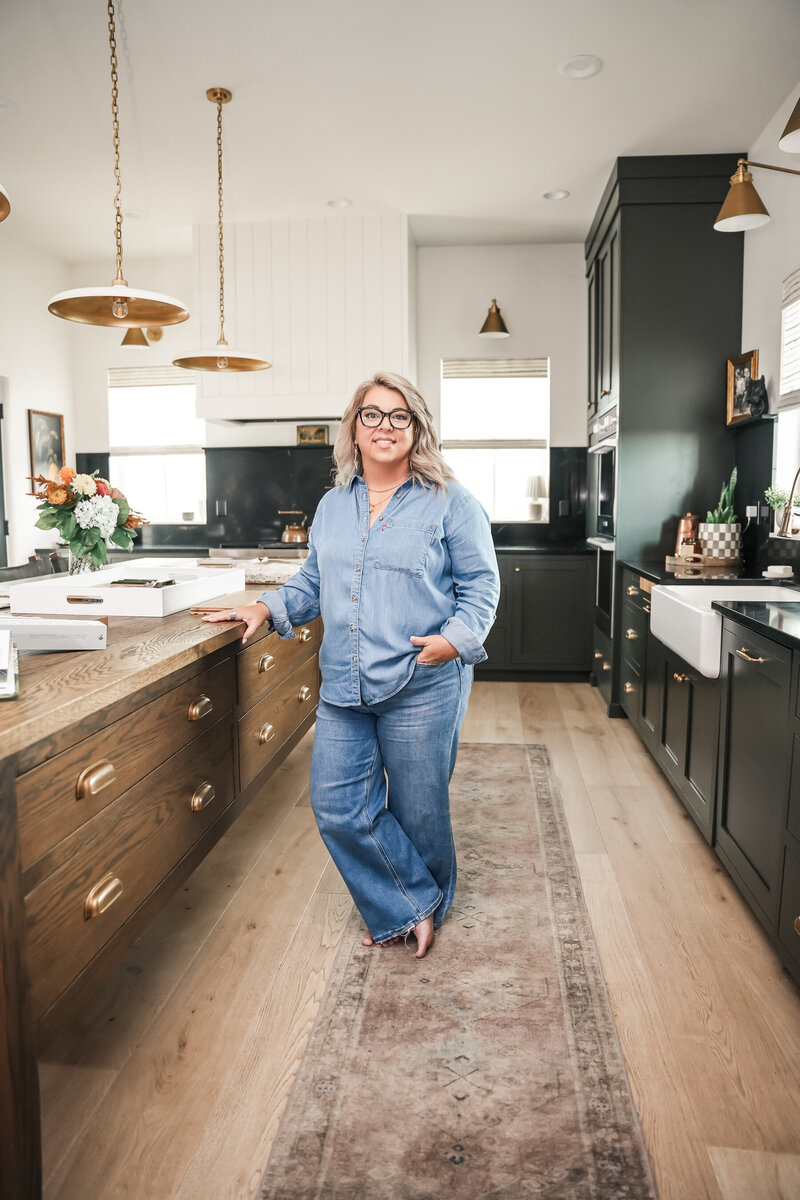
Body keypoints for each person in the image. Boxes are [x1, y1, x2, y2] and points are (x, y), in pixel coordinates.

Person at [203, 372, 500, 958]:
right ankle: (407, 902)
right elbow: (315, 580)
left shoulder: (452, 503)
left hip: (423, 680)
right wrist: (267, 604)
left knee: (419, 807)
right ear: (354, 429)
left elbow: (482, 586)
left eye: (399, 417)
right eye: (372, 415)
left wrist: (454, 640)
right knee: (339, 806)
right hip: (344, 680)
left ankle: (426, 909)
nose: (385, 426)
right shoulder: (333, 507)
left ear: (416, 430)